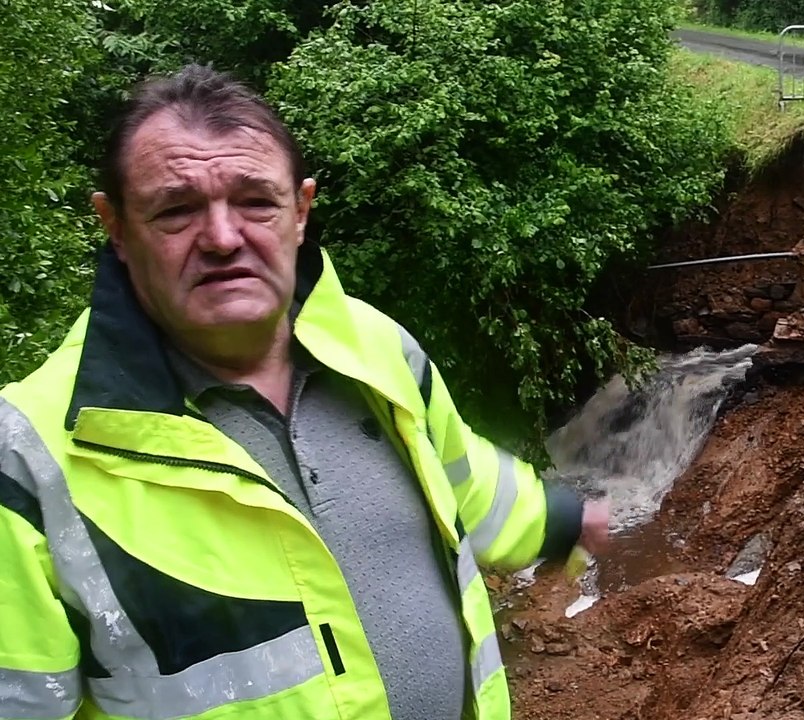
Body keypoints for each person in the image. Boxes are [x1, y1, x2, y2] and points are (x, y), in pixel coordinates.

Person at [0, 64, 609, 720]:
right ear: (116, 227)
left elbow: (460, 474)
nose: (224, 238)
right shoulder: (31, 459)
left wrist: (555, 519)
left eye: (255, 201)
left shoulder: (376, 348)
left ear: (300, 211)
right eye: (176, 210)